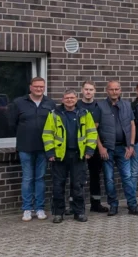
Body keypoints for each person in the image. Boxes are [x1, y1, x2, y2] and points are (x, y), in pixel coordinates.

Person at [42, 89, 98, 223]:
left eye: (72, 98)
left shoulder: (84, 113)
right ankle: (58, 213)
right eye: (67, 98)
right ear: (62, 100)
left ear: (76, 99)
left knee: (78, 185)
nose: (69, 100)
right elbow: (47, 134)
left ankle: (79, 212)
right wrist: (50, 152)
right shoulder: (54, 114)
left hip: (79, 155)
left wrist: (89, 150)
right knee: (58, 185)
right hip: (59, 155)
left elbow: (92, 133)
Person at [7, 77, 56, 222]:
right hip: (25, 147)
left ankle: (40, 208)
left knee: (40, 178)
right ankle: (27, 209)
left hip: (43, 147)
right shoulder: (19, 103)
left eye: (41, 87)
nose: (39, 89)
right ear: (30, 87)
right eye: (36, 86)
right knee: (28, 178)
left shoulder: (50, 103)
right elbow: (12, 124)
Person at [100, 79, 138, 216]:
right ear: (107, 90)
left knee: (127, 177)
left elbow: (132, 125)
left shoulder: (127, 105)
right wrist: (101, 148)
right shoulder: (101, 106)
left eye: (116, 89)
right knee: (109, 179)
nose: (114, 92)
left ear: (120, 90)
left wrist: (131, 145)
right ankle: (113, 206)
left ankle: (132, 206)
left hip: (124, 148)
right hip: (108, 149)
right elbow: (94, 129)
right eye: (111, 89)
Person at [77, 81, 107, 214]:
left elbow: (97, 127)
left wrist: (100, 146)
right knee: (77, 176)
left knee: (95, 175)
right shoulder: (76, 105)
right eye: (86, 89)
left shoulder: (99, 106)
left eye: (91, 89)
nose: (88, 92)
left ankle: (96, 204)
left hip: (94, 146)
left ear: (95, 91)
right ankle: (76, 205)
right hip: (78, 146)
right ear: (82, 90)